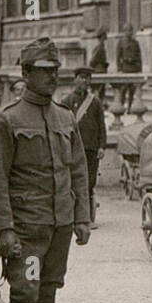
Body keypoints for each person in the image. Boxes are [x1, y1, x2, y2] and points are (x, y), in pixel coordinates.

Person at [0, 38, 91, 303]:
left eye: (55, 71)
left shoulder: (65, 117)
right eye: (44, 72)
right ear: (26, 74)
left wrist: (81, 217)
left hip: (60, 223)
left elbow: (78, 169)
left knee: (49, 287)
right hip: (28, 228)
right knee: (26, 290)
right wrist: (5, 229)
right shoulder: (8, 120)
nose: (52, 77)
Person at [62, 65, 105, 227]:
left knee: (89, 181)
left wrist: (102, 146)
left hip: (91, 148)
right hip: (72, 148)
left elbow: (101, 125)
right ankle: (73, 216)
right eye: (81, 77)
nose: (84, 81)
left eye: (87, 78)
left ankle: (86, 218)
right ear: (75, 80)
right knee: (73, 181)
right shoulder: (66, 102)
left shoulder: (95, 102)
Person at [114, 23, 142, 114]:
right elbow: (118, 57)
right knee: (123, 89)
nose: (129, 32)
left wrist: (139, 68)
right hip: (125, 68)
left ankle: (129, 108)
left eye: (130, 30)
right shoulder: (121, 42)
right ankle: (121, 106)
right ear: (124, 32)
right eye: (127, 31)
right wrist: (119, 69)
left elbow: (139, 56)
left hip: (134, 68)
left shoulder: (135, 43)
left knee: (132, 90)